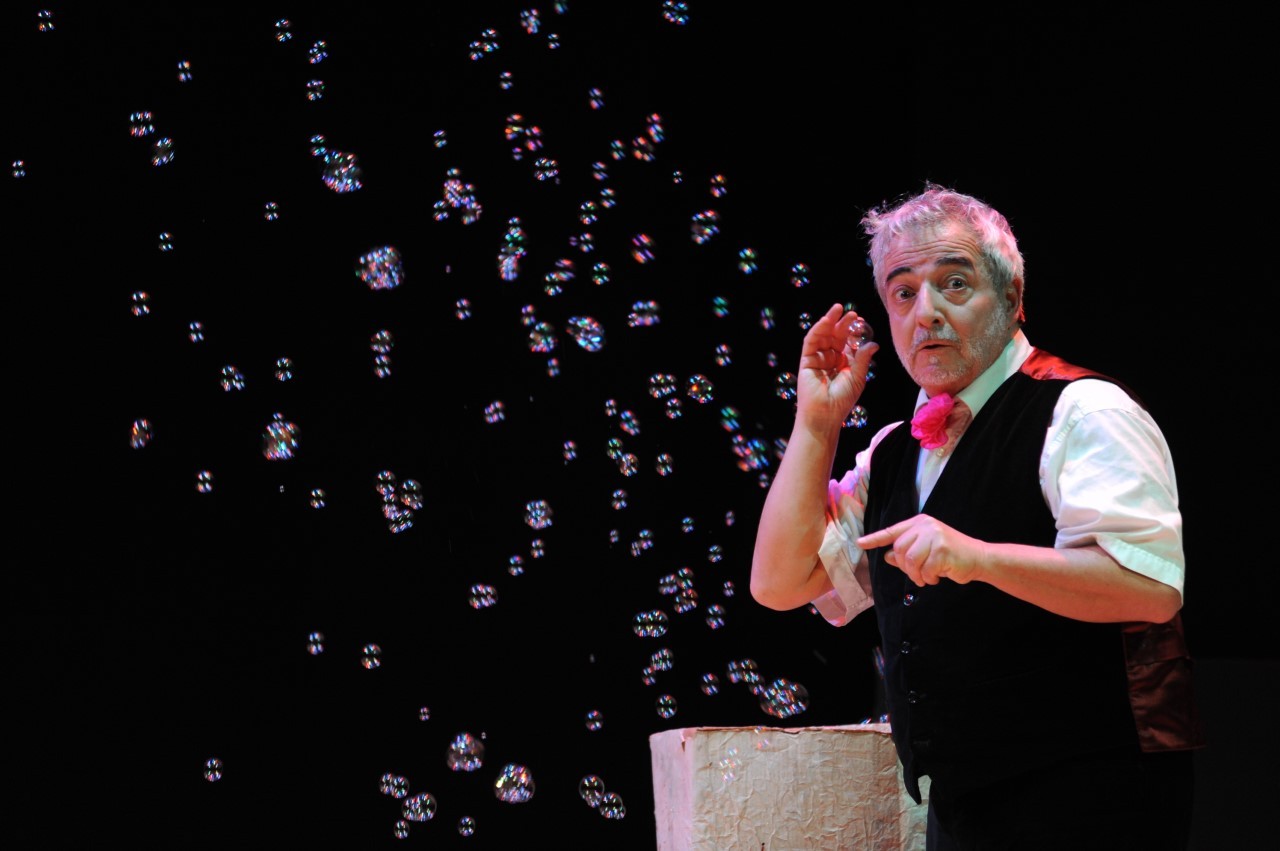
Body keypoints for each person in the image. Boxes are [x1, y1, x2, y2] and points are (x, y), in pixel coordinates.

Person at [749, 186, 1204, 850]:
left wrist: (976, 557)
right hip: (964, 803)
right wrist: (816, 423)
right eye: (903, 292)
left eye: (954, 283)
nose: (926, 312)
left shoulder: (1084, 411)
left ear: (1014, 296)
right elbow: (779, 583)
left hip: (1095, 792)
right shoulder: (893, 452)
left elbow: (1150, 587)